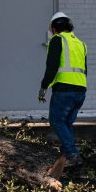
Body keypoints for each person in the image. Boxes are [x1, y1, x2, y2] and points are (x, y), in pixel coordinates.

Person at [38, 12, 87, 167]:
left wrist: (43, 87)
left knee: (57, 121)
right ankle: (66, 154)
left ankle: (72, 154)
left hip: (64, 90)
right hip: (80, 90)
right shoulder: (80, 43)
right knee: (66, 123)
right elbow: (85, 69)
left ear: (54, 28)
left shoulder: (57, 40)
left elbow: (52, 66)